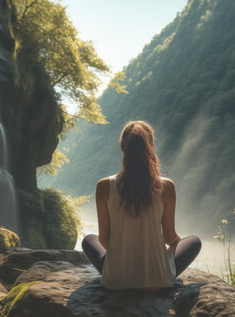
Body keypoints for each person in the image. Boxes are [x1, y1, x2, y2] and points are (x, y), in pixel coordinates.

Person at [82, 120, 202, 290]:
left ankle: (120, 270)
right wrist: (173, 246)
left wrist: (124, 254)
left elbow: (103, 239)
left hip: (116, 280)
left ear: (123, 149)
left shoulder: (104, 186)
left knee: (89, 240)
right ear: (150, 149)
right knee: (193, 241)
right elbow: (169, 237)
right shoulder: (166, 186)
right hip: (158, 281)